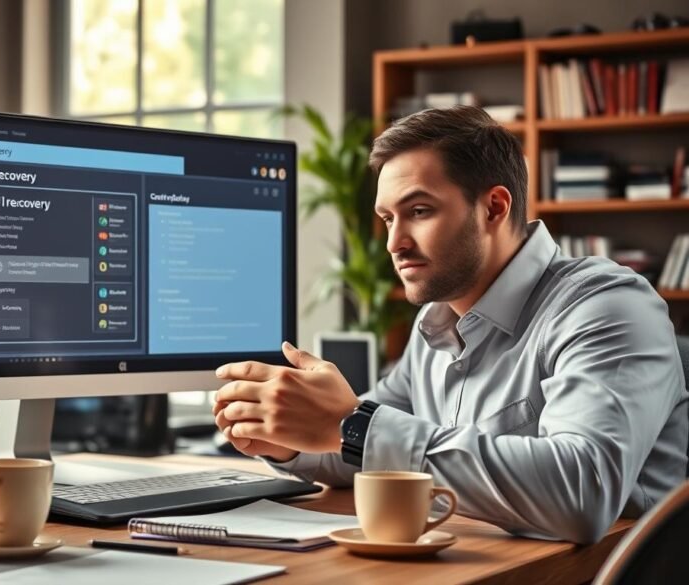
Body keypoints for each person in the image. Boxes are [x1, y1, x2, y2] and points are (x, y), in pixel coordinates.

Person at [213, 106, 688, 544]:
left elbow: (582, 493)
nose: (394, 243)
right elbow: (362, 444)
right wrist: (284, 441)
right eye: (387, 218)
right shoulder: (436, 323)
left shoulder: (606, 305)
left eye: (419, 211)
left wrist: (351, 422)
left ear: (494, 208)